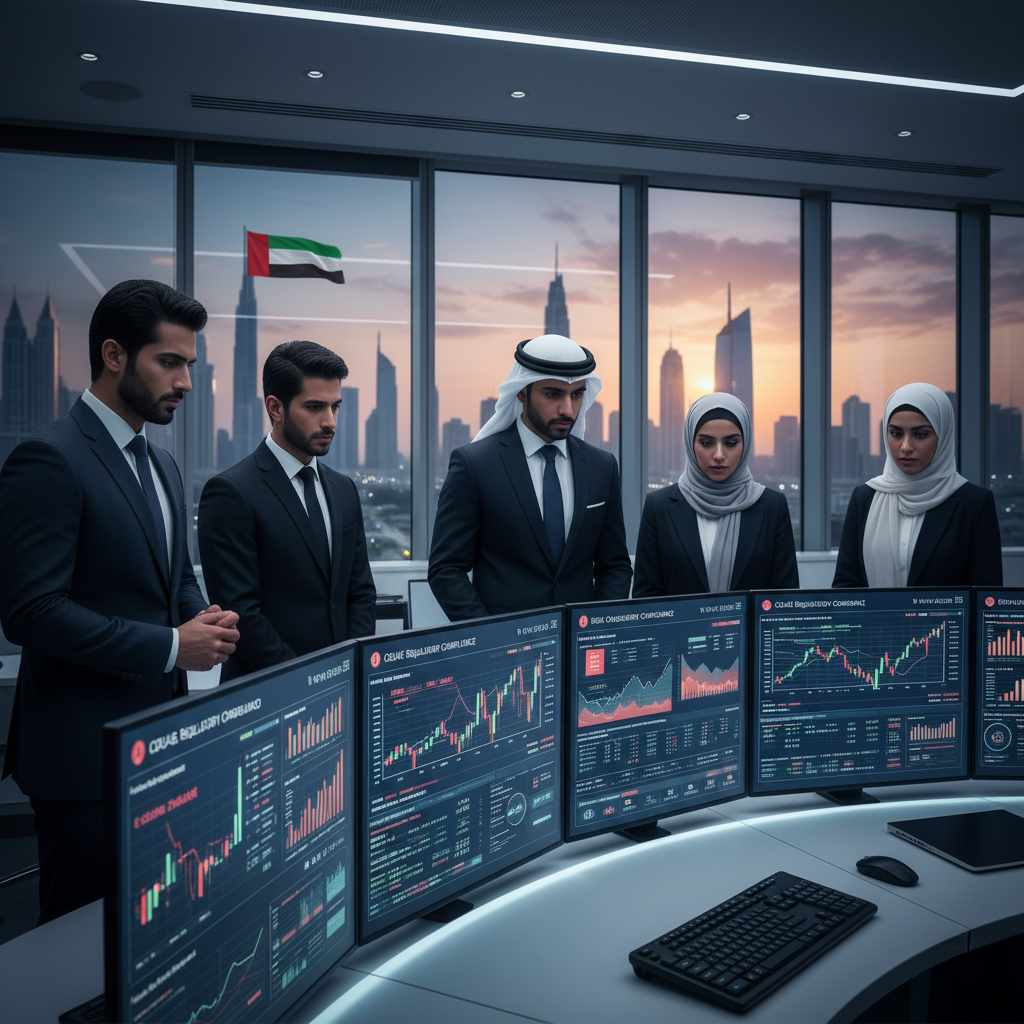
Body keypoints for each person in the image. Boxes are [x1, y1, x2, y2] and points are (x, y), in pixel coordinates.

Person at [0, 280, 239, 924]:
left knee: (149, 931)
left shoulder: (159, 464)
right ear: (113, 355)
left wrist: (201, 618)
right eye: (170, 362)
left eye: (190, 364)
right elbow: (30, 611)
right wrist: (170, 646)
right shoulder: (48, 458)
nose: (186, 382)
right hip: (82, 757)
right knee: (79, 949)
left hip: (157, 742)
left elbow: (175, 574)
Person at [198, 341, 375, 680]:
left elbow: (361, 592)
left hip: (344, 688)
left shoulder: (344, 489)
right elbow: (243, 615)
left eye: (335, 407)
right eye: (314, 407)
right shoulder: (231, 492)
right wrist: (307, 681)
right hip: (267, 695)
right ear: (275, 408)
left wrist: (351, 669)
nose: (330, 422)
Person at [428, 334, 632, 620]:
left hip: (581, 647)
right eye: (553, 394)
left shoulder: (602, 466)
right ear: (522, 392)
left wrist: (597, 628)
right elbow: (445, 569)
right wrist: (492, 638)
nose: (568, 409)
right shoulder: (475, 465)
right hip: (505, 652)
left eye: (577, 394)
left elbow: (615, 567)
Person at [833, 383, 1002, 588]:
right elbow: (845, 588)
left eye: (920, 434)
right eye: (896, 434)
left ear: (943, 436)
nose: (906, 447)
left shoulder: (974, 504)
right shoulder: (865, 498)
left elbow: (985, 596)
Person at [634, 393, 799, 597]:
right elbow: (646, 597)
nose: (719, 455)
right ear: (690, 443)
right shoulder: (658, 507)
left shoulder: (772, 506)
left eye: (730, 443)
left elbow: (784, 598)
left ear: (745, 444)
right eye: (706, 443)